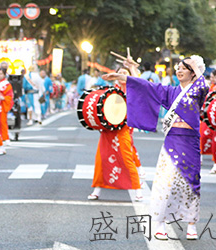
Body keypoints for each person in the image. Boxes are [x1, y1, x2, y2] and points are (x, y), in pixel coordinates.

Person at [102, 55, 209, 240]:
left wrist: (195, 66)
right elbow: (148, 88)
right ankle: (159, 223)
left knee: (191, 182)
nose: (179, 70)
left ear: (193, 72)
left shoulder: (198, 90)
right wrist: (124, 77)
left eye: (184, 68)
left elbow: (203, 85)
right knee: (164, 183)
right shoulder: (171, 92)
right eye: (178, 68)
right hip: (171, 141)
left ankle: (191, 224)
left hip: (190, 141)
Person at [87, 67, 143, 201]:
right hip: (108, 128)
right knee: (102, 158)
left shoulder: (132, 89)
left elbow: (140, 84)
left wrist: (132, 67)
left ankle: (137, 189)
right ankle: (97, 189)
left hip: (123, 127)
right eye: (120, 72)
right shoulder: (110, 90)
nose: (123, 74)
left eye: (126, 72)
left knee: (126, 158)